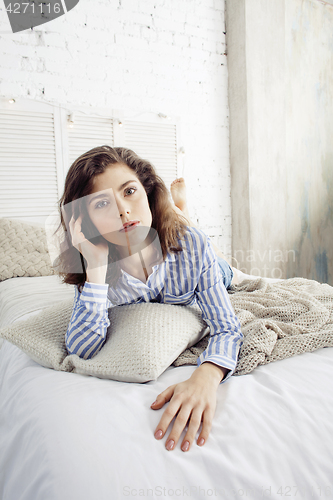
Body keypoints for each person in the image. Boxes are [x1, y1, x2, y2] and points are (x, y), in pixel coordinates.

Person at [57, 145, 243, 454]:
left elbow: (227, 328)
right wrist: (95, 270)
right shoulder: (98, 272)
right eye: (102, 203)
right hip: (106, 263)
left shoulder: (191, 246)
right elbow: (82, 349)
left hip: (202, 262)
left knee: (227, 272)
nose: (122, 211)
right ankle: (183, 212)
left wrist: (207, 375)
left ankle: (183, 214)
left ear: (146, 191)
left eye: (129, 191)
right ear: (85, 223)